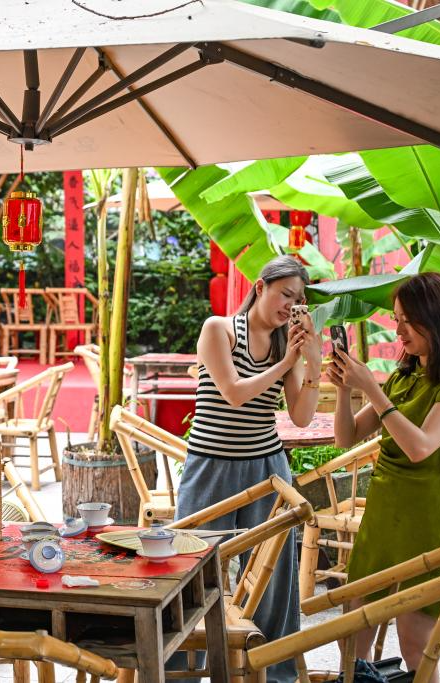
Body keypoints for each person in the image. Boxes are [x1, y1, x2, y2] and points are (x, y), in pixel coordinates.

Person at [328, 272, 440, 683]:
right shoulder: (403, 376)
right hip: (383, 513)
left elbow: (420, 447)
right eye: (397, 320)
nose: (399, 331)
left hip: (426, 518)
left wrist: (372, 390)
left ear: (438, 319)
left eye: (408, 321)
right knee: (351, 635)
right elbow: (346, 437)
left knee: (417, 644)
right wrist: (344, 389)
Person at [174, 255, 322, 683]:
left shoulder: (285, 344)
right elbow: (234, 393)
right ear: (260, 287)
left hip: (267, 468)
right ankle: (177, 670)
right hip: (211, 466)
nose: (290, 306)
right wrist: (287, 361)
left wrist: (311, 364)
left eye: (297, 300)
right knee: (189, 568)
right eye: (285, 294)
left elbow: (301, 417)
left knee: (274, 578)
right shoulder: (218, 329)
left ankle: (274, 673)